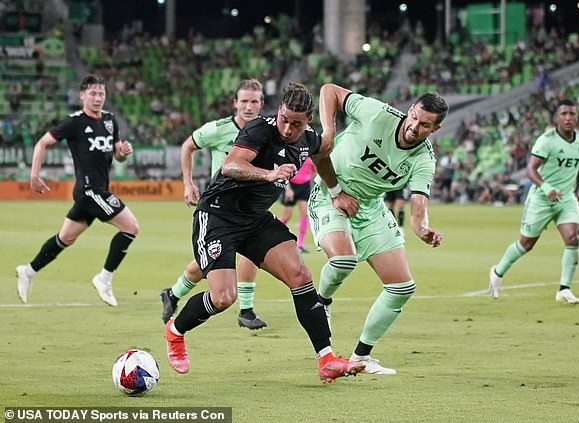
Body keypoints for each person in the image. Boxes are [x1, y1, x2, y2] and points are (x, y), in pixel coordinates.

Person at [164, 82, 365, 383]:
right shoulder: (259, 129)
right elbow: (231, 165)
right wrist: (269, 174)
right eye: (284, 119)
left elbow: (322, 156)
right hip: (218, 215)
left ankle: (326, 359)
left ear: (308, 120)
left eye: (296, 123)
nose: (287, 128)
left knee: (300, 275)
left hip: (255, 220)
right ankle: (175, 332)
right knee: (223, 297)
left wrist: (335, 191)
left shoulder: (308, 138)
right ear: (278, 112)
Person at [309, 83, 448, 374]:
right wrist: (330, 131)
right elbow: (329, 91)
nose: (415, 127)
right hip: (329, 195)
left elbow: (419, 205)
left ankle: (361, 355)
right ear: (410, 110)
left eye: (425, 125)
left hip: (370, 208)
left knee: (401, 287)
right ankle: (321, 302)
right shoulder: (376, 113)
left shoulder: (424, 158)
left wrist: (422, 229)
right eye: (414, 118)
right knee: (343, 260)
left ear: (434, 129)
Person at [16, 75, 139, 306]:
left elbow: (118, 156)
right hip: (89, 190)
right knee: (131, 227)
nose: (97, 98)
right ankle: (104, 278)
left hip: (97, 190)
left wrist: (123, 151)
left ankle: (28, 271)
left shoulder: (110, 120)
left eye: (101, 93)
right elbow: (42, 143)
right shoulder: (74, 122)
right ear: (82, 95)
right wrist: (34, 175)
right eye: (92, 93)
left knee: (66, 238)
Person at [160, 79, 269, 330]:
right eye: (244, 101)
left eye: (254, 101)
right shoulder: (219, 129)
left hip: (251, 205)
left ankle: (244, 310)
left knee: (243, 254)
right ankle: (176, 295)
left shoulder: (266, 131)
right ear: (235, 103)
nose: (249, 106)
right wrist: (187, 183)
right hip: (220, 208)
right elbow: (188, 146)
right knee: (212, 260)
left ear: (261, 104)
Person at [489, 99, 579, 304]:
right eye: (564, 114)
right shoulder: (547, 140)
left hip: (566, 198)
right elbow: (530, 170)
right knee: (526, 244)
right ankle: (497, 272)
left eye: (572, 114)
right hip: (541, 199)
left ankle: (564, 289)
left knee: (573, 238)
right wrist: (547, 189)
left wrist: (577, 191)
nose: (568, 118)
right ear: (557, 118)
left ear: (577, 117)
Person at [278, 157, 316, 253]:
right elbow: (284, 172)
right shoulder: (295, 153)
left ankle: (299, 245)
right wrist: (288, 189)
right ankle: (270, 235)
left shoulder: (311, 155)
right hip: (291, 184)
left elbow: (314, 171)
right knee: (286, 216)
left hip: (304, 186)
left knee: (305, 214)